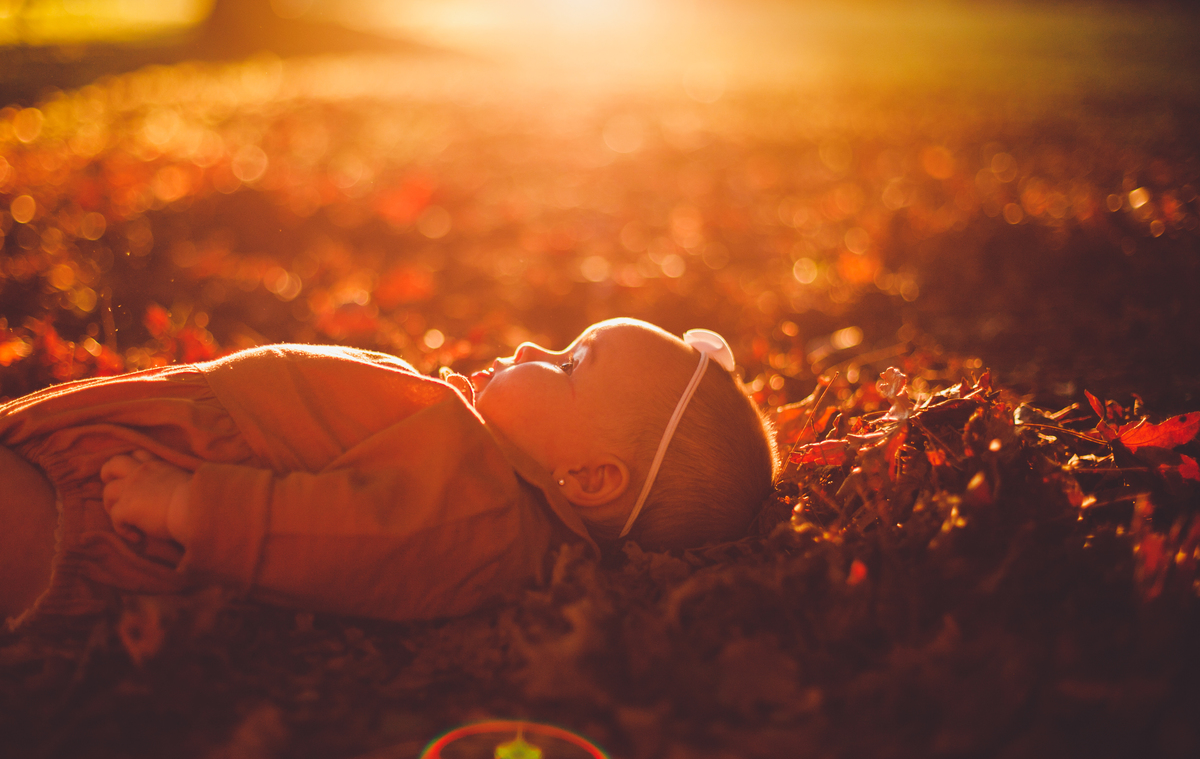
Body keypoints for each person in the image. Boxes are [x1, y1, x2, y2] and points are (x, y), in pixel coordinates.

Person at [1, 318, 777, 630]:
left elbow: (339, 538)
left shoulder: (480, 518)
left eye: (571, 364)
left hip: (114, 508)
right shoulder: (476, 452)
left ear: (592, 479)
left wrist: (187, 507)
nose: (537, 349)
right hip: (152, 446)